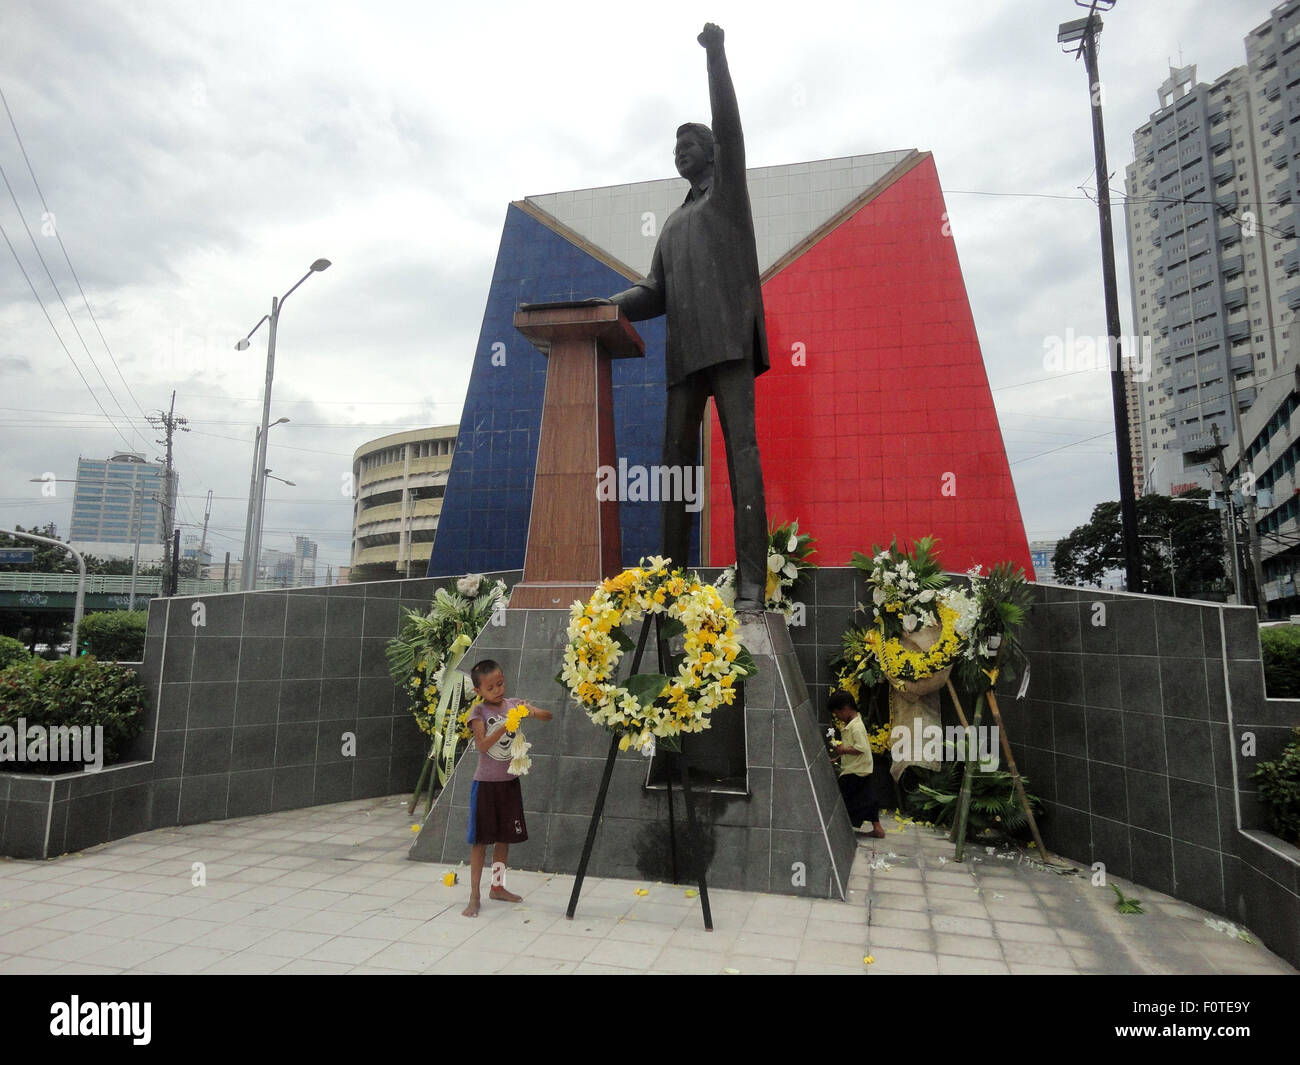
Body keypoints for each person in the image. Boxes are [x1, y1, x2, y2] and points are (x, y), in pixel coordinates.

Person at [604, 22, 770, 611]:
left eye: (689, 143)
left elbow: (729, 123)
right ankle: (669, 583)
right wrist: (603, 307)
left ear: (712, 153)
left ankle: (753, 582)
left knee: (741, 452)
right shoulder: (674, 224)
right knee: (674, 465)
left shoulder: (726, 193)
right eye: (674, 147)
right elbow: (653, 291)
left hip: (728, 344)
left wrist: (716, 55)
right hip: (683, 357)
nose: (680, 151)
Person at [461, 658, 553, 917]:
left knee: (504, 840)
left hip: (509, 784)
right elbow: (481, 745)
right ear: (478, 691)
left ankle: (497, 887)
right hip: (486, 786)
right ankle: (474, 895)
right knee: (480, 842)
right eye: (491, 687)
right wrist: (504, 726)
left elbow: (548, 716)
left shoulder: (513, 704)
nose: (498, 690)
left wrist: (530, 711)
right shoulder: (478, 713)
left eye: (500, 683)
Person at [829, 691, 886, 838]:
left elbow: (861, 748)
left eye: (838, 714)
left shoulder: (856, 727)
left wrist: (843, 749)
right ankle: (877, 827)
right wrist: (839, 756)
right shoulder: (851, 725)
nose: (839, 718)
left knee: (845, 797)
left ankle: (843, 826)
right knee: (867, 798)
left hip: (856, 769)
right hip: (860, 767)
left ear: (845, 708)